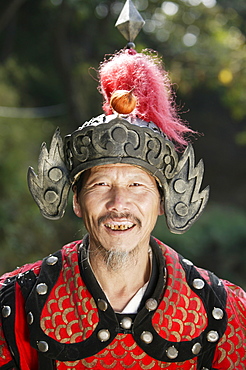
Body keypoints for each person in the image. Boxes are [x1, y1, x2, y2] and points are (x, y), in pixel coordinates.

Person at [0, 5, 245, 368]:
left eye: (136, 185)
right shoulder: (15, 304)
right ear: (77, 201)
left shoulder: (226, 312)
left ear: (163, 200)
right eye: (100, 184)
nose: (119, 203)